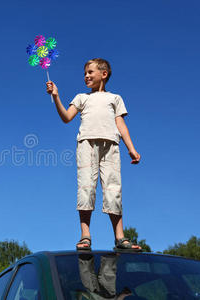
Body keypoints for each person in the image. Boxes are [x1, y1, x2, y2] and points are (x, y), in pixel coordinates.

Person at [46, 58, 142, 251]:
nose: (86, 76)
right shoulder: (82, 98)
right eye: (85, 73)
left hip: (111, 146)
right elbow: (66, 117)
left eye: (90, 72)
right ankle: (85, 235)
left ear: (103, 74)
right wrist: (56, 96)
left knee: (113, 189)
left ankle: (120, 237)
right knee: (86, 188)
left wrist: (131, 148)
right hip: (86, 145)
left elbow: (120, 124)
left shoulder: (115, 98)